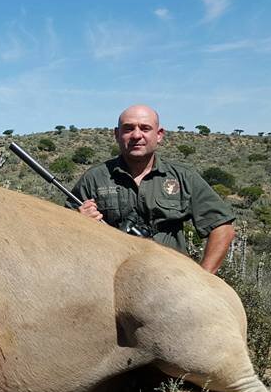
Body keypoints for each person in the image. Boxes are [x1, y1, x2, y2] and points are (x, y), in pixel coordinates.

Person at [71, 104, 235, 274]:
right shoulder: (94, 178)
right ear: (117, 135)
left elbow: (223, 228)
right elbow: (61, 230)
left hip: (172, 280)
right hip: (109, 280)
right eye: (128, 129)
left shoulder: (184, 176)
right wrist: (78, 222)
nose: (136, 135)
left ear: (159, 135)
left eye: (145, 128)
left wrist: (203, 279)